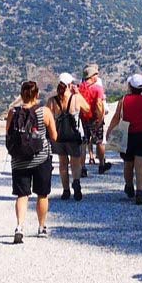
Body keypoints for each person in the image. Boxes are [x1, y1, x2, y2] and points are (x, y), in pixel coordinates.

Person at [6, 80, 58, 242]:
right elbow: (54, 136)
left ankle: (19, 226)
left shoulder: (13, 112)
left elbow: (8, 135)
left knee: (22, 194)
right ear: (37, 95)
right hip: (41, 158)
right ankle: (42, 227)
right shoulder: (45, 112)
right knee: (42, 194)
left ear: (21, 95)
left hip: (19, 160)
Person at [107, 73, 142, 205]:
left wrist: (109, 131)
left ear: (130, 86)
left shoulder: (123, 100)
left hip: (127, 134)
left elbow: (116, 117)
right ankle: (140, 192)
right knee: (140, 165)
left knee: (128, 163)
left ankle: (129, 185)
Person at [50, 73, 87, 201]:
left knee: (63, 163)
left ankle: (66, 190)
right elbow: (87, 109)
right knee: (75, 162)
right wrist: (77, 93)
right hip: (73, 135)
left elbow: (47, 117)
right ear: (70, 85)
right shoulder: (76, 98)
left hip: (59, 136)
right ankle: (76, 181)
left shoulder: (52, 101)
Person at [78, 63, 111, 174]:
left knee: (83, 143)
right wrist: (100, 120)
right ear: (92, 76)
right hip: (95, 118)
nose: (97, 76)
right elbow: (99, 105)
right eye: (96, 74)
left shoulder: (79, 88)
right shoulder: (98, 88)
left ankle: (82, 167)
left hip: (83, 118)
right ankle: (101, 165)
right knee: (99, 142)